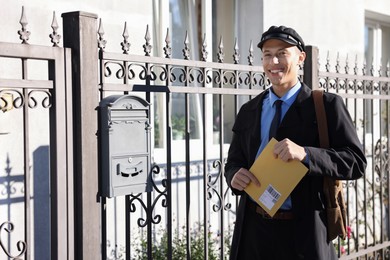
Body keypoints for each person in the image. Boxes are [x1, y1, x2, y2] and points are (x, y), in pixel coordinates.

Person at [224, 25, 366, 260]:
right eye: (267, 55)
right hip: (254, 234)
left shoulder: (326, 106)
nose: (274, 61)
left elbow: (356, 162)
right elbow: (234, 161)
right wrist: (234, 175)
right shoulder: (249, 110)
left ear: (300, 58)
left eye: (282, 53)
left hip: (304, 234)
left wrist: (307, 154)